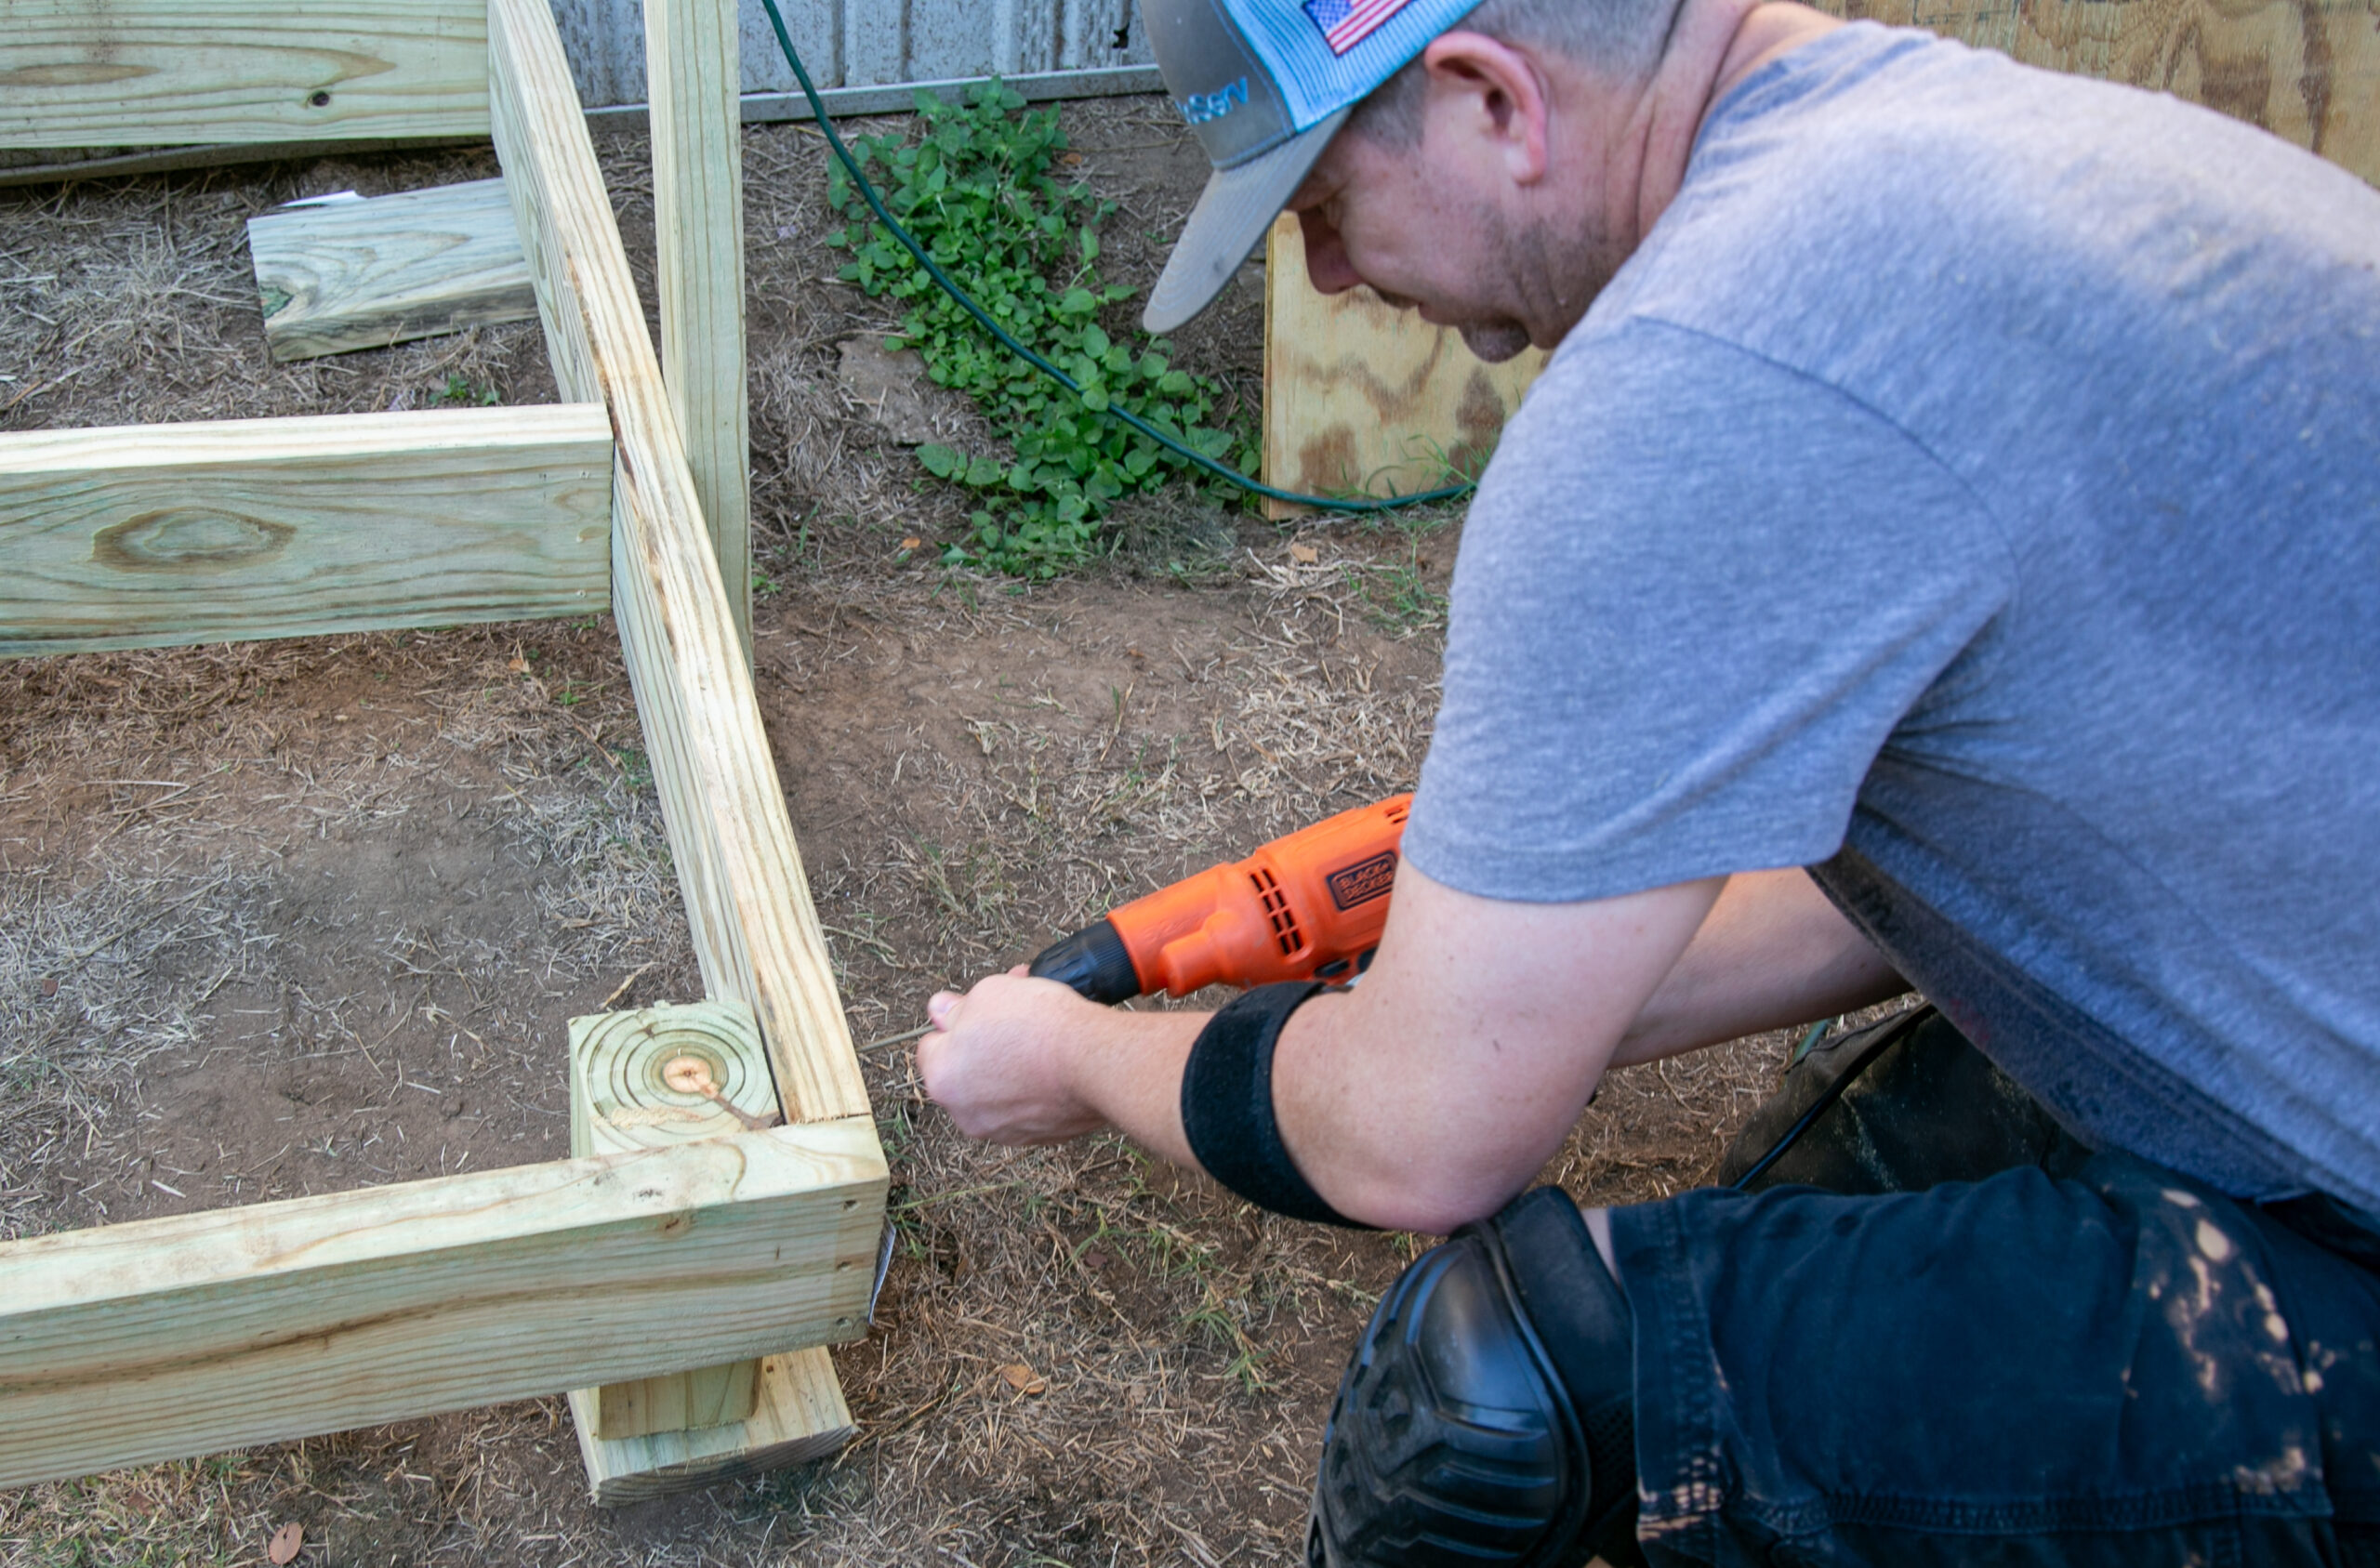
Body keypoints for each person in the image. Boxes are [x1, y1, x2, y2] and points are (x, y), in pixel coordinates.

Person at [916, 0, 2380, 1557]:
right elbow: (1951, 880)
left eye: (1329, 205)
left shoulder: (1708, 379)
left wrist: (1075, 1058)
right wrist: (1494, 1011)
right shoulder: (1997, 153)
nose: (1330, 273)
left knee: (1494, 1389)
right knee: (1844, 1181)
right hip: (2297, 1055)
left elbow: (1420, 1141)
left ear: (1493, 102)